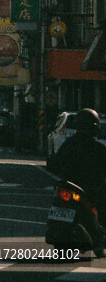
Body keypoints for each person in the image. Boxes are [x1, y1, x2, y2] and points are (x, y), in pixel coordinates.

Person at [51, 109, 106, 256]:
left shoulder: (68, 144)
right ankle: (99, 240)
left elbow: (54, 164)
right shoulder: (97, 148)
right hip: (87, 190)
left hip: (67, 186)